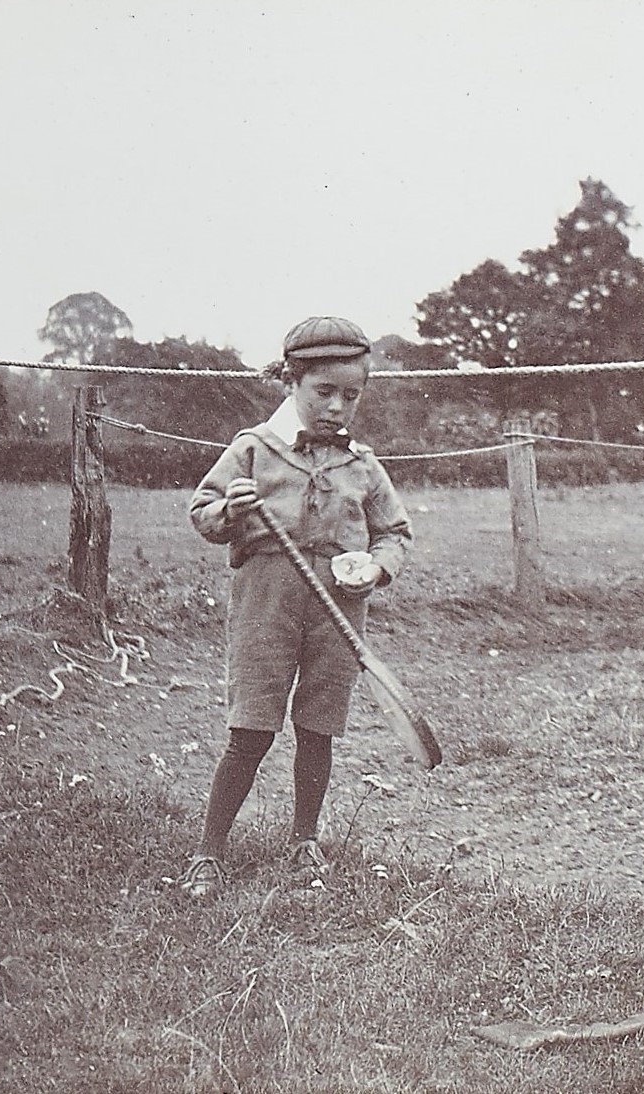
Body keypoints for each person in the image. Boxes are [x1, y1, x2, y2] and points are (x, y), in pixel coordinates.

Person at [178, 316, 412, 897]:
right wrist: (231, 510)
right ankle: (208, 853)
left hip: (338, 609)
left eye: (350, 396)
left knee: (318, 728)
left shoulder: (362, 465)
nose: (337, 407)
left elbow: (395, 532)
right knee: (252, 729)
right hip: (267, 603)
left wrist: (378, 567)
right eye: (323, 392)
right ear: (292, 382)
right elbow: (202, 511)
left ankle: (304, 841)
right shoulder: (254, 450)